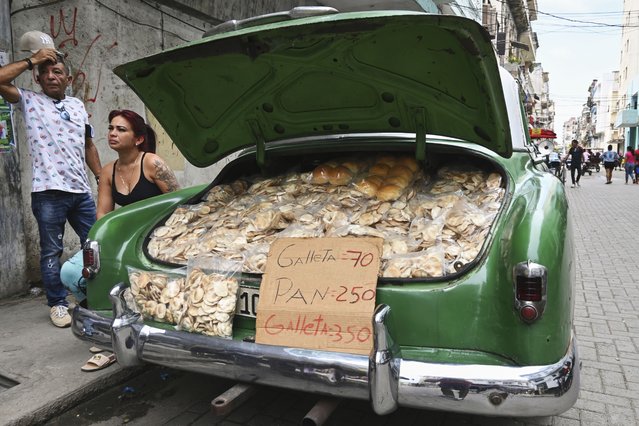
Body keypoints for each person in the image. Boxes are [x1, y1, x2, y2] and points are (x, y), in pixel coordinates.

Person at [61, 109, 179, 372]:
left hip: (159, 239)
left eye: (121, 129)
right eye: (111, 128)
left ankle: (118, 339)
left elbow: (178, 203)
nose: (113, 133)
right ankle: (105, 323)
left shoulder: (152, 163)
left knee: (139, 285)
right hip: (123, 240)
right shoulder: (107, 171)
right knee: (71, 273)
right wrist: (104, 249)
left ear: (138, 139)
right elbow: (103, 215)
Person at [0, 31, 102, 327]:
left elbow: (88, 145)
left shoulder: (77, 106)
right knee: (51, 250)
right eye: (44, 72)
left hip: (80, 191)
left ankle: (93, 295)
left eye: (57, 71)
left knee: (95, 244)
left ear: (67, 79)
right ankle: (57, 303)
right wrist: (32, 59)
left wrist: (99, 176)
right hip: (48, 192)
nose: (51, 76)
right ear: (37, 79)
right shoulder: (29, 102)